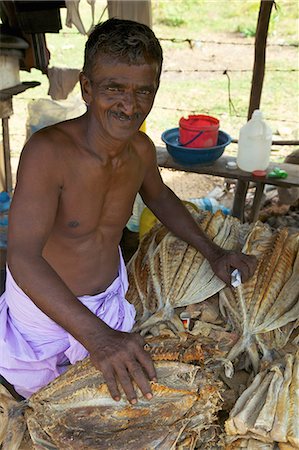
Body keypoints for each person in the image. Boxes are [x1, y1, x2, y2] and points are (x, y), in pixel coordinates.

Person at [0, 18, 256, 402]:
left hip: (109, 301)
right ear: (87, 88)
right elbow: (21, 257)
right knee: (46, 410)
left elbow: (161, 197)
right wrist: (99, 338)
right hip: (47, 314)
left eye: (143, 92)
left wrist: (214, 252)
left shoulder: (140, 149)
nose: (129, 104)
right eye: (113, 89)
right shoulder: (48, 153)